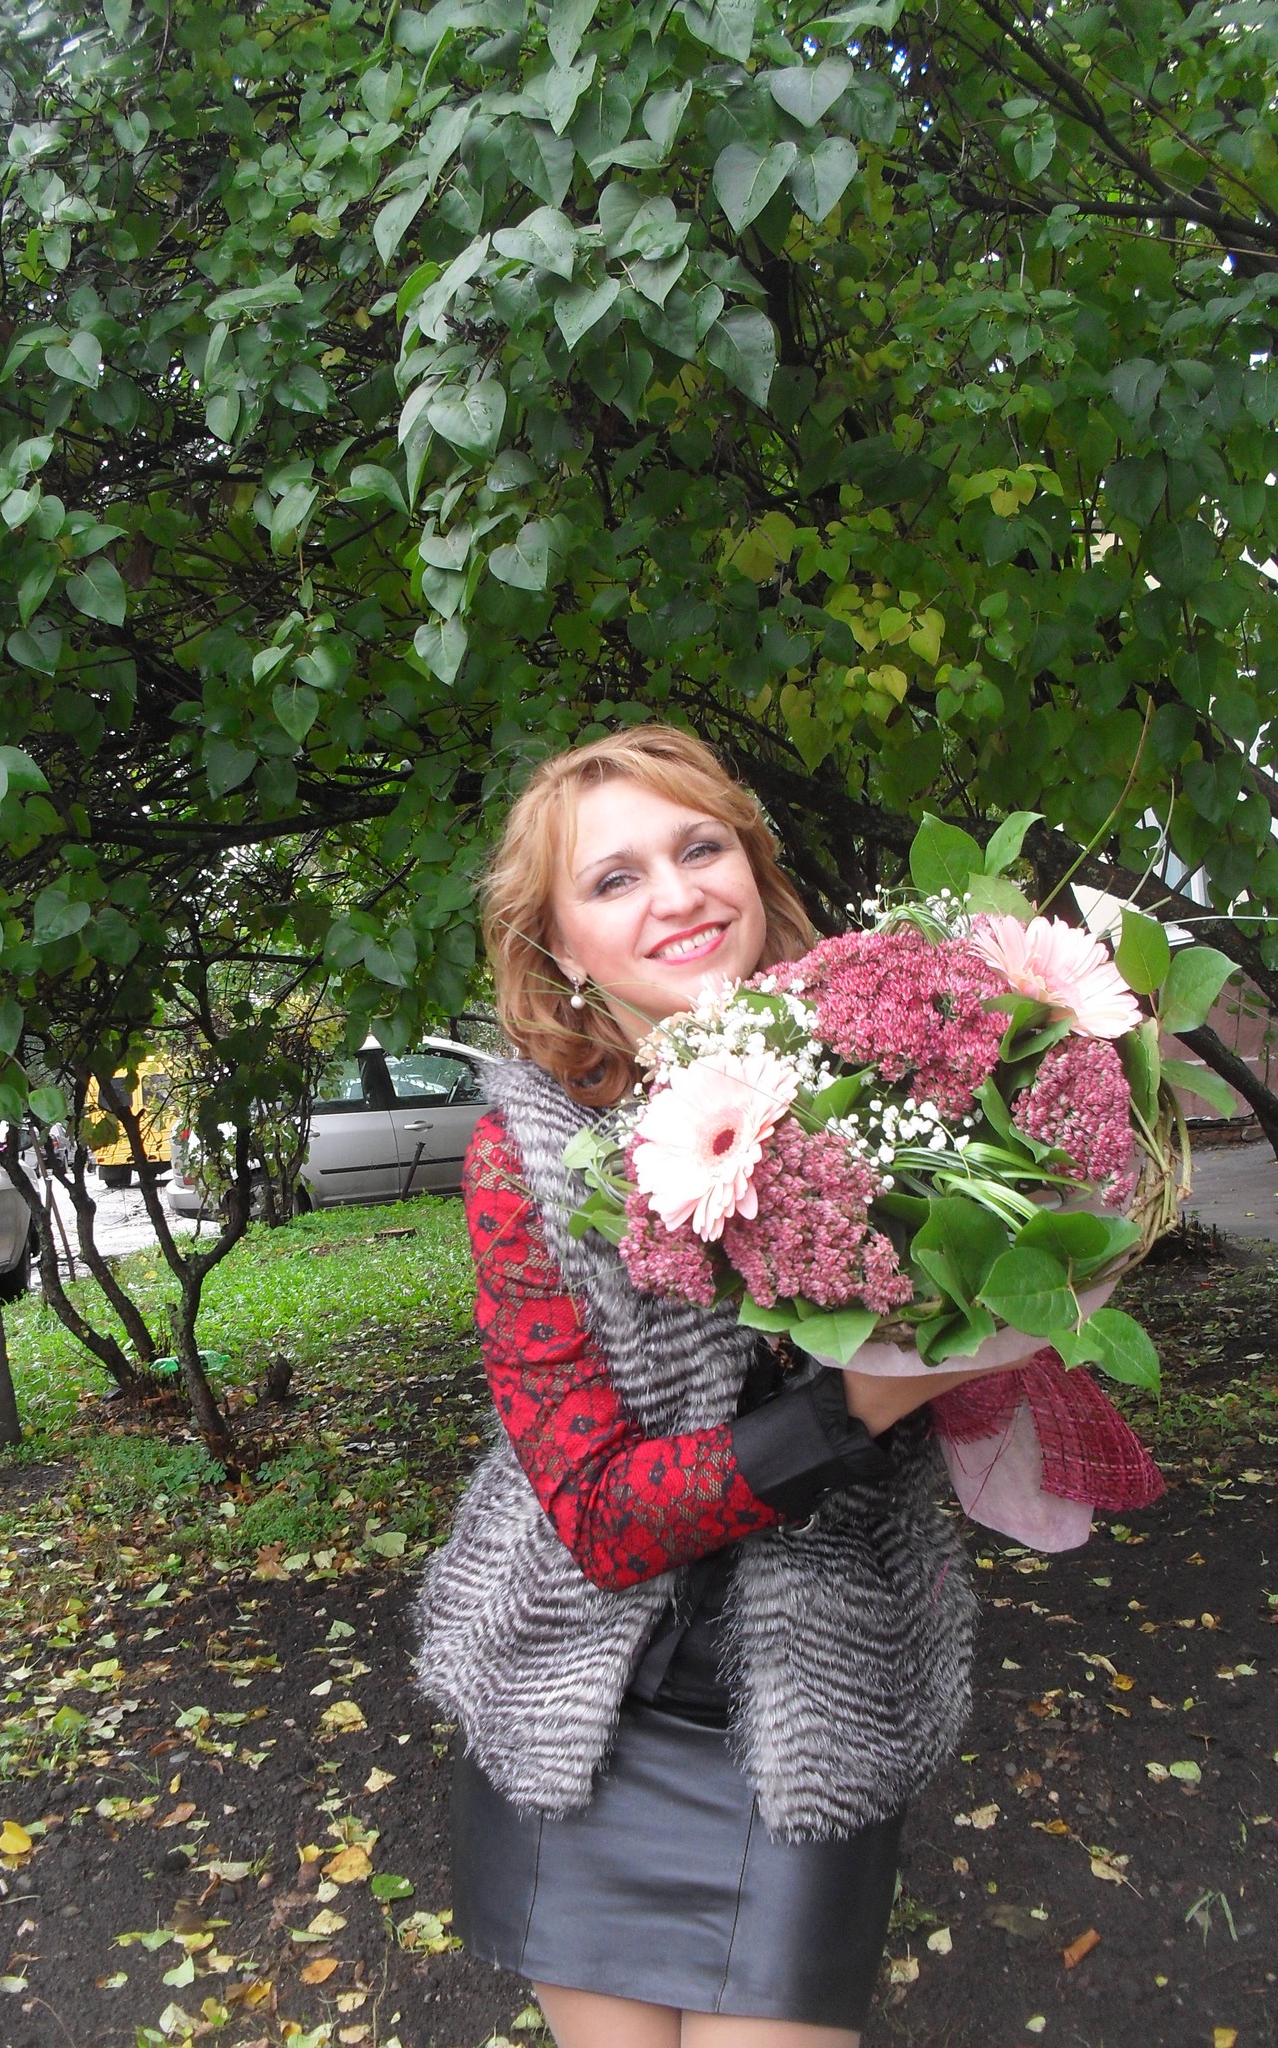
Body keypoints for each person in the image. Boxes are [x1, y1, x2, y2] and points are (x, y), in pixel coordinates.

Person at [417, 725, 1000, 2048]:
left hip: (816, 1701)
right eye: (614, 879)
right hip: (582, 1716)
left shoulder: (898, 1088)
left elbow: (977, 1363)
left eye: (700, 847)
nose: (676, 894)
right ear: (562, 947)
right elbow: (596, 1513)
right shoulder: (532, 1155)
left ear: (753, 867)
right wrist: (850, 1411)